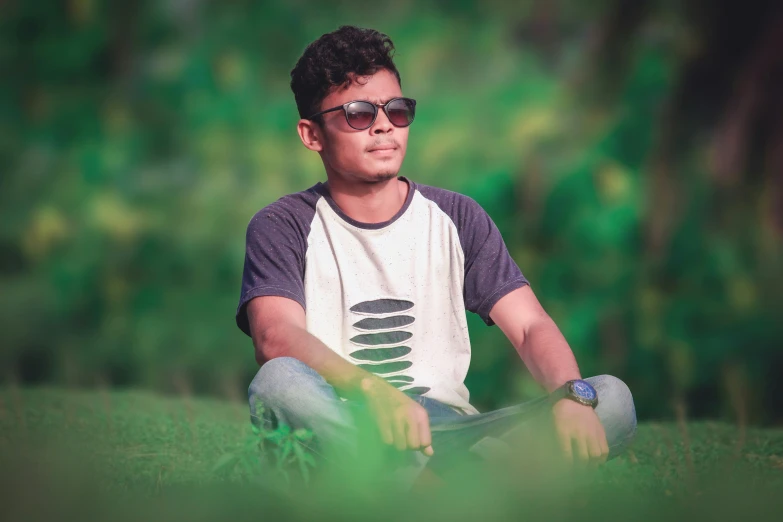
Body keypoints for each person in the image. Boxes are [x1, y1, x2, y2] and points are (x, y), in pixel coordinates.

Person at [236, 25, 636, 486]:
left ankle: (425, 486)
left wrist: (572, 397)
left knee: (612, 398)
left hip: (456, 432)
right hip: (350, 422)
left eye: (397, 110)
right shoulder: (281, 225)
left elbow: (529, 327)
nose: (384, 125)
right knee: (278, 383)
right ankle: (465, 489)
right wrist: (374, 393)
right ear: (312, 134)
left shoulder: (456, 216)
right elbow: (276, 337)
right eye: (358, 114)